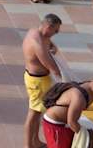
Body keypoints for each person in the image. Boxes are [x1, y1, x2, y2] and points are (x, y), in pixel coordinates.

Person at [23, 13, 65, 148]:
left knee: (37, 112)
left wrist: (52, 45)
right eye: (55, 31)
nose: (56, 34)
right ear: (48, 27)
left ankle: (35, 141)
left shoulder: (35, 31)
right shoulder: (37, 44)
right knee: (33, 113)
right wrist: (65, 80)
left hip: (38, 79)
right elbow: (50, 65)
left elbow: (46, 42)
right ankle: (28, 145)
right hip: (37, 82)